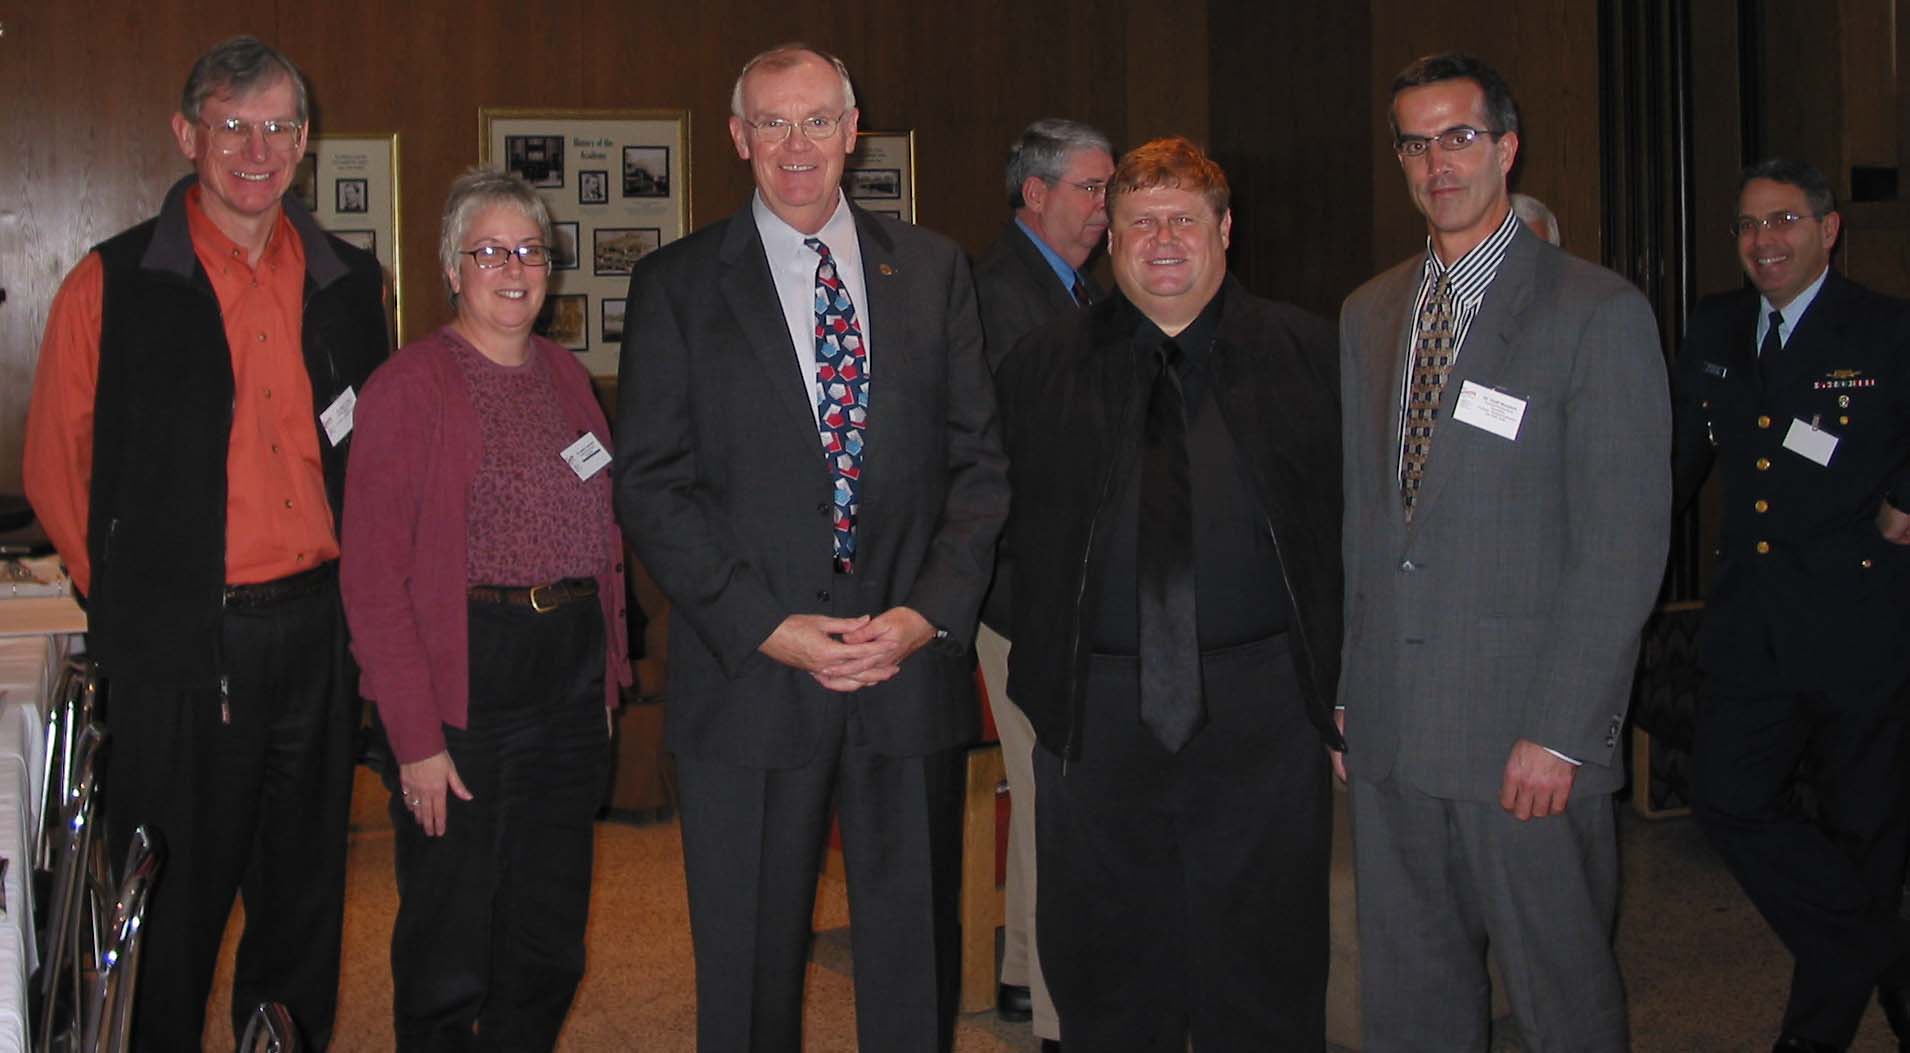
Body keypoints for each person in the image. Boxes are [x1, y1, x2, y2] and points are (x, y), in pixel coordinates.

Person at [612, 43, 1008, 1052]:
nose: (797, 144)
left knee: (913, 973)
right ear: (738, 137)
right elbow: (651, 485)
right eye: (773, 123)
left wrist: (924, 615)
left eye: (818, 120)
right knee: (746, 979)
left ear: (852, 132)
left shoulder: (932, 270)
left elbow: (978, 468)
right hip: (749, 676)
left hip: (903, 671)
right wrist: (765, 625)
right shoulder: (676, 284)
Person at [20, 35, 388, 1050]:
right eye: (233, 125)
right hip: (182, 649)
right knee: (171, 911)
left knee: (303, 902)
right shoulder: (113, 283)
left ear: (305, 142)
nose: (256, 150)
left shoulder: (351, 282)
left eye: (277, 127)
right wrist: (147, 604)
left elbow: (374, 458)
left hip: (316, 635)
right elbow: (55, 472)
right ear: (188, 135)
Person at [1336, 52, 1670, 1052]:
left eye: (1460, 137)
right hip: (1394, 731)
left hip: (1524, 738)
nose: (1436, 163)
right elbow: (1365, 522)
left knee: (1560, 1000)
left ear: (1506, 147)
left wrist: (1563, 731)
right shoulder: (1369, 312)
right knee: (1412, 1003)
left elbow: (1621, 544)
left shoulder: (1595, 311)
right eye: (1414, 144)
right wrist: (1350, 690)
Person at [994, 135, 1344, 1051]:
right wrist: (1048, 657)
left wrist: (1341, 683)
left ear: (1225, 230)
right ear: (1110, 239)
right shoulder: (1039, 366)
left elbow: (1353, 533)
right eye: (1139, 222)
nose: (1161, 240)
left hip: (1264, 709)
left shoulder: (1312, 355)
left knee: (1267, 969)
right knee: (1106, 969)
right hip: (1097, 710)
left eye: (1182, 220)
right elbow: (995, 525)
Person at [340, 167, 628, 1051]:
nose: (514, 268)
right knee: (451, 932)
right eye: (490, 251)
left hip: (568, 678)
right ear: (451, 268)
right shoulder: (408, 386)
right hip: (466, 681)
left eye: (530, 251)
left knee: (549, 936)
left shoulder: (565, 375)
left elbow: (605, 537)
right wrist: (415, 739)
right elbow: (372, 581)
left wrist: (606, 679)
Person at [1674, 157, 1910, 1053]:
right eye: (1748, 225)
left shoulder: (1884, 327)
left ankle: (1813, 1038)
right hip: (1753, 622)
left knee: (1865, 836)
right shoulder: (1717, 325)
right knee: (1726, 798)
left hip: (1861, 625)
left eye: (1782, 221)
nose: (1762, 241)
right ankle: (1888, 952)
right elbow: (1681, 454)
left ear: (1828, 229)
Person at [970, 115, 1114, 1044]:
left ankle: (1025, 970)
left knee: (1040, 785)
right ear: (1036, 192)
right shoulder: (1002, 296)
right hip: (1030, 591)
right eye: (1091, 189)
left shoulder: (1068, 287)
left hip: (1045, 586)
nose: (1106, 207)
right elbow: (1020, 464)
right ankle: (1068, 1013)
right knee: (1064, 794)